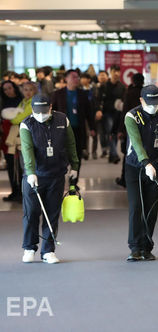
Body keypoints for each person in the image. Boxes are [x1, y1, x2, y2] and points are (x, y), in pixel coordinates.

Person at [19, 94, 79, 264]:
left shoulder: (62, 119)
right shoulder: (26, 124)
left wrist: (74, 166)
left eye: (44, 111)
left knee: (52, 213)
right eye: (37, 112)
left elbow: (71, 144)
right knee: (31, 213)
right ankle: (29, 247)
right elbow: (27, 150)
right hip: (34, 176)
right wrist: (30, 172)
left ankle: (48, 251)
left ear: (51, 107)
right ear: (32, 110)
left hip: (56, 174)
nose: (41, 115)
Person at [124, 85, 158, 261]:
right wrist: (145, 163)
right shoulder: (131, 116)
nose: (154, 107)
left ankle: (147, 246)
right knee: (136, 207)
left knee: (152, 209)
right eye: (150, 103)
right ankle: (134, 247)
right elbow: (136, 144)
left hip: (157, 166)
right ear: (141, 100)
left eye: (156, 103)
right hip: (135, 167)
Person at [50, 69, 95, 178]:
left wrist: (93, 128)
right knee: (62, 155)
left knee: (77, 156)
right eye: (73, 77)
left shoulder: (83, 94)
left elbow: (89, 112)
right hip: (62, 130)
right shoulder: (58, 94)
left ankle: (74, 182)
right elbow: (52, 111)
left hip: (78, 129)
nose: (76, 79)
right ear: (66, 79)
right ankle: (61, 178)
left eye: (77, 77)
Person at [116, 73, 145, 188]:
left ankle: (125, 179)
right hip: (145, 126)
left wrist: (121, 130)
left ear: (132, 81)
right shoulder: (144, 93)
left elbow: (125, 112)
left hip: (131, 126)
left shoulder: (129, 93)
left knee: (128, 153)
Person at [0, 80, 24, 201]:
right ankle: (14, 191)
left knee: (21, 165)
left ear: (14, 88)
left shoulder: (22, 101)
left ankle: (22, 192)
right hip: (7, 137)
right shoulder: (2, 102)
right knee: (10, 164)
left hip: (21, 136)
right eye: (5, 89)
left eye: (10, 88)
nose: (8, 91)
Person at [93, 70, 109, 158]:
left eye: (104, 75)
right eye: (100, 76)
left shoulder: (110, 87)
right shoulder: (95, 87)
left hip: (108, 113)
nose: (102, 77)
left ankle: (110, 149)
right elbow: (93, 100)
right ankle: (104, 150)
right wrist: (97, 111)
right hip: (98, 113)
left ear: (107, 77)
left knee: (109, 131)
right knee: (101, 133)